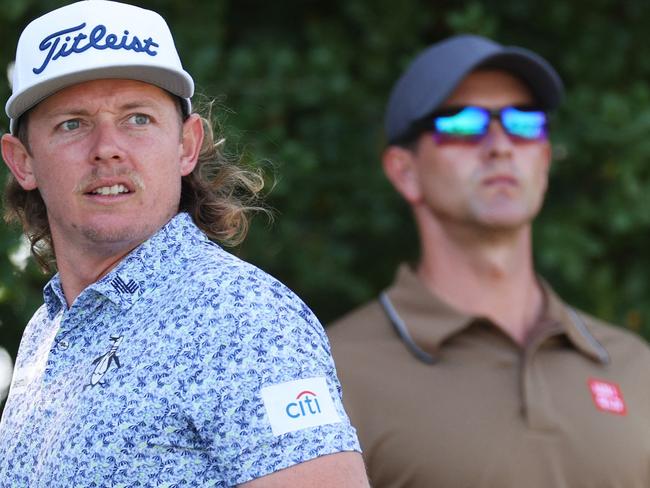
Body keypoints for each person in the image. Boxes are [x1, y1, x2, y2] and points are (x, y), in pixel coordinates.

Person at [0, 2, 368, 487]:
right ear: (22, 162)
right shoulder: (43, 331)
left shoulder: (243, 318)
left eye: (138, 119)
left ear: (186, 146)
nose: (108, 146)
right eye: (72, 123)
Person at [327, 34, 650, 487]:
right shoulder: (333, 375)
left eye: (523, 122)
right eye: (462, 123)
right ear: (405, 171)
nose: (500, 144)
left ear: (545, 158)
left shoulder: (634, 366)